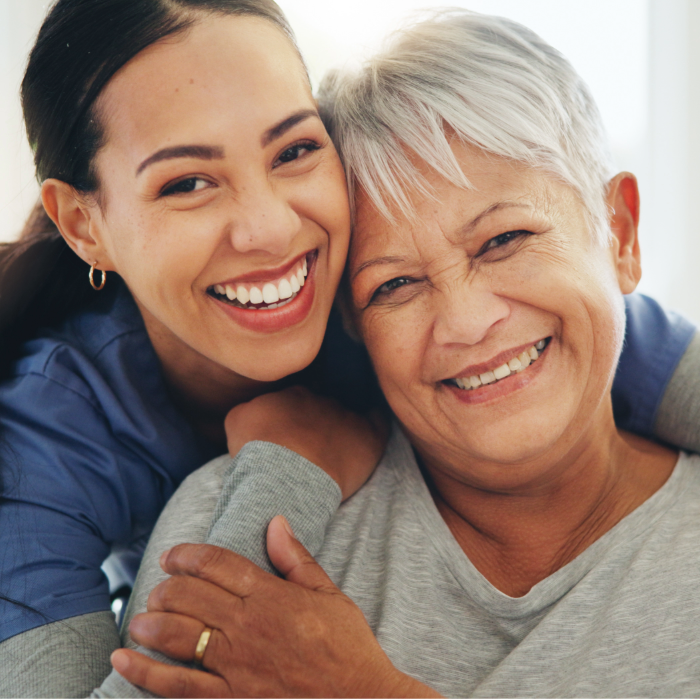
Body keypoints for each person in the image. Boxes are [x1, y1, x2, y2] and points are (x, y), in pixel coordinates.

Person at [100, 9, 700, 698]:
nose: (468, 323)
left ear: (620, 234)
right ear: (351, 323)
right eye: (396, 285)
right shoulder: (236, 529)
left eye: (504, 240)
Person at [0, 1, 387, 696]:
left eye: (295, 150)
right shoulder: (45, 429)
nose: (269, 228)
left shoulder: (406, 282)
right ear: (85, 225)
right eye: (187, 183)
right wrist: (287, 474)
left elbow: (622, 346)